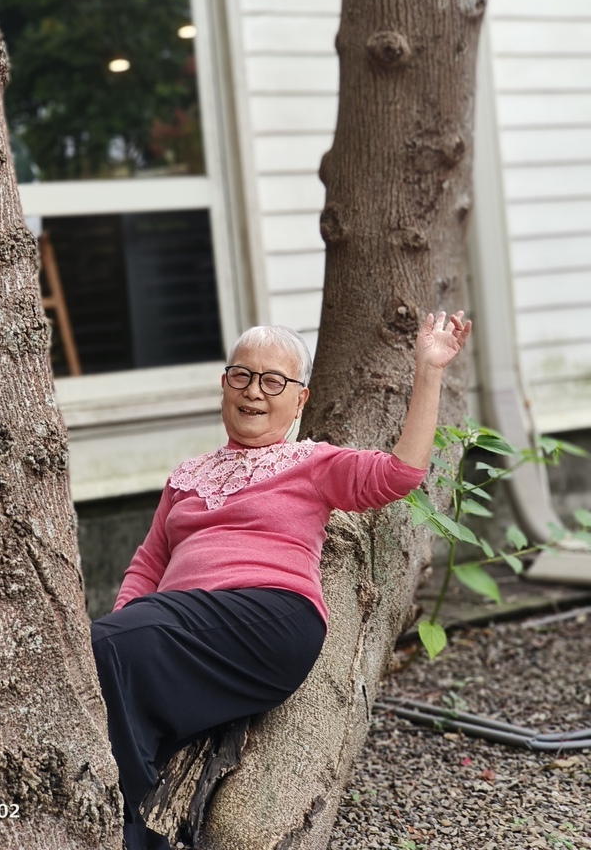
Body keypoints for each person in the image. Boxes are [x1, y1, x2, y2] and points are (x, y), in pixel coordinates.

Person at [91, 311, 471, 850]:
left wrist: (429, 371)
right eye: (242, 376)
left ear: (299, 400)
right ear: (225, 386)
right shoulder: (186, 475)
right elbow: (149, 565)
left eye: (274, 382)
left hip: (267, 618)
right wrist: (118, 626)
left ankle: (115, 821)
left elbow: (399, 475)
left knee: (108, 645)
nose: (255, 392)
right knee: (102, 660)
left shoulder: (310, 462)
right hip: (180, 631)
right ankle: (133, 831)